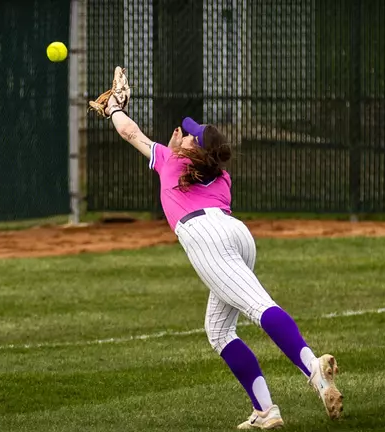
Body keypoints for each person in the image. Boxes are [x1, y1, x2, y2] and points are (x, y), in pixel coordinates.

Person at [101, 91, 343, 430]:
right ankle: (266, 411)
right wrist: (181, 146)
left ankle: (312, 367)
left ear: (191, 148)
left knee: (259, 307)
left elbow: (130, 133)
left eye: (187, 134)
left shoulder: (172, 161)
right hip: (237, 234)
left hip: (205, 235)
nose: (182, 133)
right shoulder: (221, 175)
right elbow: (192, 160)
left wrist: (113, 108)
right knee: (218, 330)